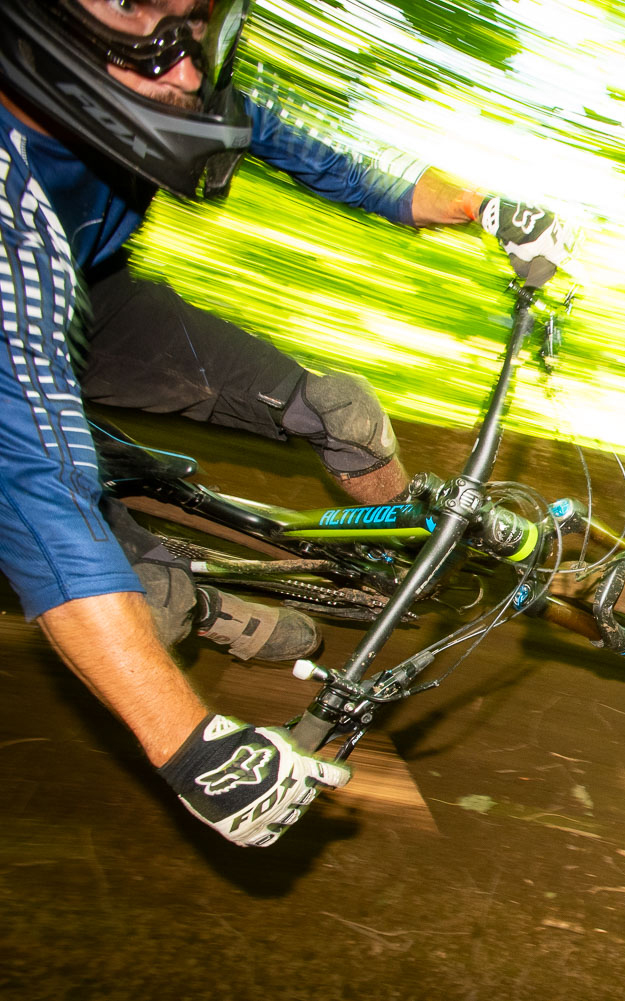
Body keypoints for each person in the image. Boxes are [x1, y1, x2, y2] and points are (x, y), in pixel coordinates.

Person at [0, 0, 573, 848]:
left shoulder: (164, 82)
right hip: (17, 332)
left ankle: (394, 555)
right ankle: (195, 604)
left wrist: (488, 210)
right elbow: (36, 493)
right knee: (132, 593)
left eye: (193, 24)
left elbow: (331, 160)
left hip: (97, 301)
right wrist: (193, 749)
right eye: (132, 9)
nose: (186, 68)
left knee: (343, 409)